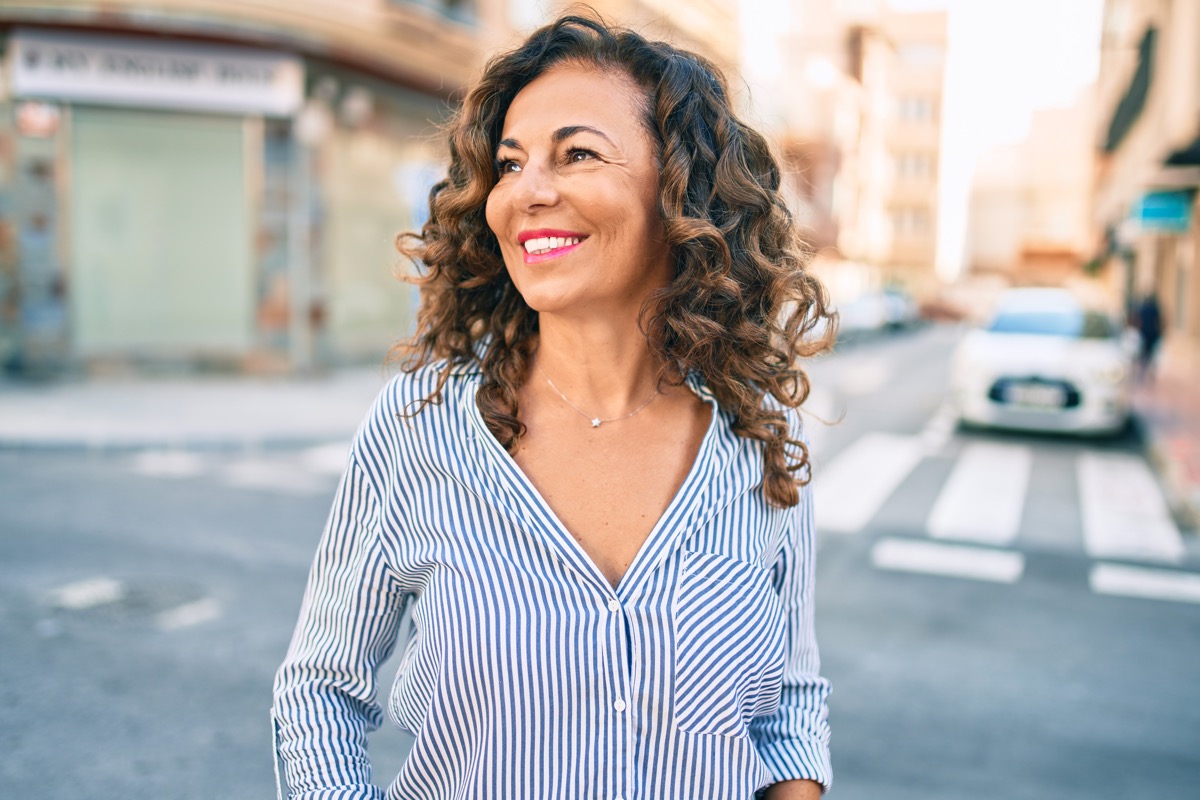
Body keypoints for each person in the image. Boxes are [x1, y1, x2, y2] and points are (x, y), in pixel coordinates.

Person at [273, 14, 835, 800]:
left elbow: (788, 709)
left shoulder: (759, 441)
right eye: (508, 165)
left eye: (576, 154)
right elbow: (321, 692)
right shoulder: (421, 425)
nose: (526, 193)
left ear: (680, 191)